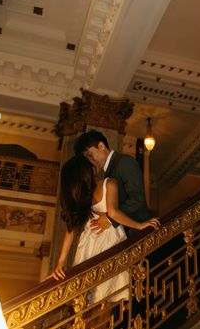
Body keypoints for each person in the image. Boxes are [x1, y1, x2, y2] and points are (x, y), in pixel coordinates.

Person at [52, 155, 160, 306]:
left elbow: (71, 230)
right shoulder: (109, 183)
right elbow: (114, 213)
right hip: (109, 242)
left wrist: (60, 263)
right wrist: (140, 225)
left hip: (88, 246)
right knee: (109, 296)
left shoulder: (83, 197)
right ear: (88, 170)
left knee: (89, 301)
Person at [74, 129, 151, 237]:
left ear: (101, 146)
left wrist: (110, 217)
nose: (89, 162)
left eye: (89, 155)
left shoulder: (125, 162)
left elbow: (137, 199)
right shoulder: (107, 173)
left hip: (137, 233)